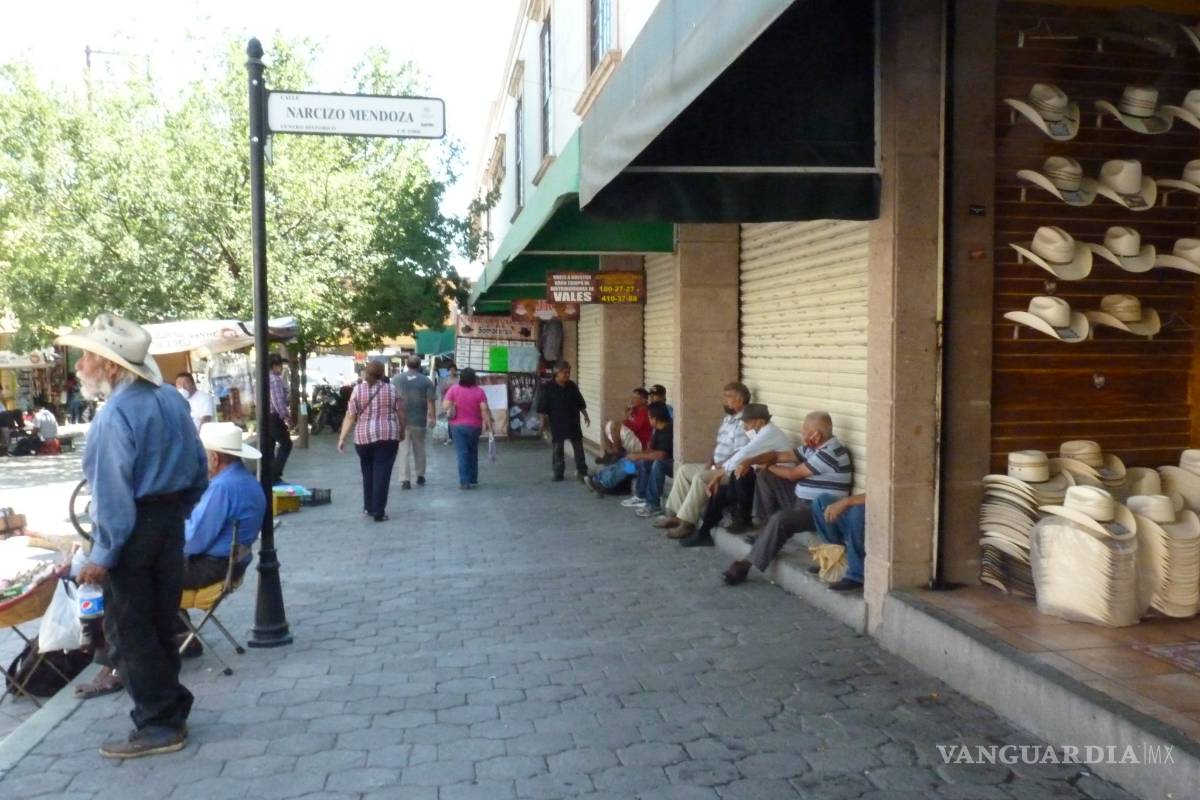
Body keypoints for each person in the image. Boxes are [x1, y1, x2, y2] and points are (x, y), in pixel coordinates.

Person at [59, 312, 208, 759]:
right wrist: (175, 513)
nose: (80, 365)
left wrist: (102, 554)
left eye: (87, 356)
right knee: (162, 622)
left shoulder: (114, 416)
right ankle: (170, 710)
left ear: (110, 365)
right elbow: (199, 470)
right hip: (167, 525)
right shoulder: (169, 399)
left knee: (133, 631)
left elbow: (112, 496)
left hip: (135, 531)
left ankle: (159, 724)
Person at [721, 411, 852, 587]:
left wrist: (766, 465)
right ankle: (766, 527)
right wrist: (749, 461)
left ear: (817, 435)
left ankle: (745, 564)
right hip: (800, 499)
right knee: (766, 476)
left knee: (781, 518)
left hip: (818, 509)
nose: (802, 435)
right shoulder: (813, 448)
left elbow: (792, 474)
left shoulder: (830, 453)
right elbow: (776, 455)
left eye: (805, 431)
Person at [682, 403, 793, 547]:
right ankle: (705, 531)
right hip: (764, 476)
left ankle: (737, 517)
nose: (744, 426)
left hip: (777, 481)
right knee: (722, 491)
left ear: (760, 422)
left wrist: (718, 475)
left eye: (747, 422)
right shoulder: (759, 430)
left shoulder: (769, 433)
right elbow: (748, 456)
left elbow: (745, 453)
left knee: (735, 477)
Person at [652, 383, 751, 540]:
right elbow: (720, 444)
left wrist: (720, 465)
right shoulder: (728, 419)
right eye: (724, 396)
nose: (724, 400)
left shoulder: (744, 421)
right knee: (684, 470)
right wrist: (711, 460)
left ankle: (687, 523)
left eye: (729, 397)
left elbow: (741, 452)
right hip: (717, 465)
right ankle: (676, 515)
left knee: (701, 478)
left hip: (731, 470)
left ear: (740, 400)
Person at [338, 361, 405, 521]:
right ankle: (378, 511)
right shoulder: (391, 389)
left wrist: (342, 437)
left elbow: (350, 416)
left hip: (363, 438)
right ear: (382, 374)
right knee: (382, 472)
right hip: (387, 435)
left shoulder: (357, 390)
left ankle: (368, 507)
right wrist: (402, 430)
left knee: (367, 472)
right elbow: (401, 412)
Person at [585, 402, 672, 502]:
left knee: (629, 465)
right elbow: (651, 449)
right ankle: (598, 479)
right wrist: (638, 454)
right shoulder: (658, 429)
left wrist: (639, 456)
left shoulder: (668, 431)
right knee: (625, 459)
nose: (648, 419)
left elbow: (662, 455)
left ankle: (604, 484)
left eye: (649, 417)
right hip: (653, 458)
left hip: (661, 463)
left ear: (655, 419)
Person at [537, 361, 590, 482]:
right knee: (558, 448)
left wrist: (586, 415)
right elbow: (542, 408)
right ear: (557, 373)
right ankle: (558, 472)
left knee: (578, 448)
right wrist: (542, 423)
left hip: (573, 421)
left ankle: (582, 471)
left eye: (568, 372)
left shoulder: (572, 385)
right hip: (557, 422)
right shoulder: (548, 388)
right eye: (564, 373)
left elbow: (580, 402)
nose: (567, 375)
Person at [443, 368, 493, 489]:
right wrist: (489, 425)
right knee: (473, 451)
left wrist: (454, 404)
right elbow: (484, 409)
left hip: (457, 426)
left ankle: (464, 482)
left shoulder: (454, 389)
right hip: (475, 426)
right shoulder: (479, 392)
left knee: (462, 453)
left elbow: (445, 406)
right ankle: (473, 478)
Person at [392, 356, 435, 490]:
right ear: (419, 365)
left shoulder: (396, 379)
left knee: (403, 451)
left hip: (401, 420)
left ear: (406, 364)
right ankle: (420, 475)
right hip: (419, 419)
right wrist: (432, 417)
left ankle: (405, 480)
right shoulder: (426, 381)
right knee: (420, 448)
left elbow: (392, 399)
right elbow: (430, 401)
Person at [811, 493, 867, 592]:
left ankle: (856, 575)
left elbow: (878, 495)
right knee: (821, 501)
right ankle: (835, 559)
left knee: (858, 511)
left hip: (878, 519)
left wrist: (845, 502)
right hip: (857, 505)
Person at [596, 388, 652, 464]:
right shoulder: (634, 410)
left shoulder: (644, 412)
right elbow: (626, 425)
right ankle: (609, 452)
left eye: (635, 398)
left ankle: (616, 453)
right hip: (633, 438)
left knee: (614, 425)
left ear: (643, 400)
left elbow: (633, 428)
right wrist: (626, 415)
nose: (632, 400)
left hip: (640, 444)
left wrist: (625, 416)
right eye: (632, 397)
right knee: (607, 423)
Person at [265, 354, 293, 484]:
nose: (281, 368)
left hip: (265, 417)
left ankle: (269, 474)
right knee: (286, 444)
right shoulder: (275, 380)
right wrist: (286, 417)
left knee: (270, 446)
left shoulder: (264, 379)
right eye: (280, 365)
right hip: (274, 417)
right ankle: (275, 474)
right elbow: (278, 402)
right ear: (274, 366)